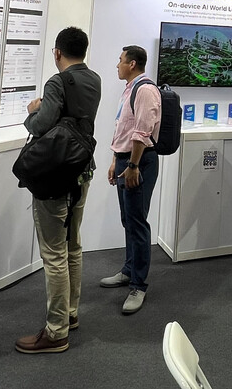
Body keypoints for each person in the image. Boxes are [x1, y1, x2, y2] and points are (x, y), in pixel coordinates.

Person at [16, 27, 102, 354]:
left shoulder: (57, 82)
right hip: (83, 169)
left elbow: (42, 125)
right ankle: (70, 313)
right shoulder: (94, 79)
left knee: (53, 253)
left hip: (55, 175)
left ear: (57, 52)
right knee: (73, 245)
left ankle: (56, 332)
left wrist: (32, 112)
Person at [101, 45, 161, 315]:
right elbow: (123, 129)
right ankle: (129, 270)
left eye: (120, 60)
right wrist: (116, 160)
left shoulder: (145, 90)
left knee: (137, 222)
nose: (117, 64)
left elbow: (142, 133)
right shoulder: (130, 89)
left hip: (140, 162)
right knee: (128, 219)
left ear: (132, 63)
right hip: (127, 161)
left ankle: (138, 285)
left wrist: (134, 165)